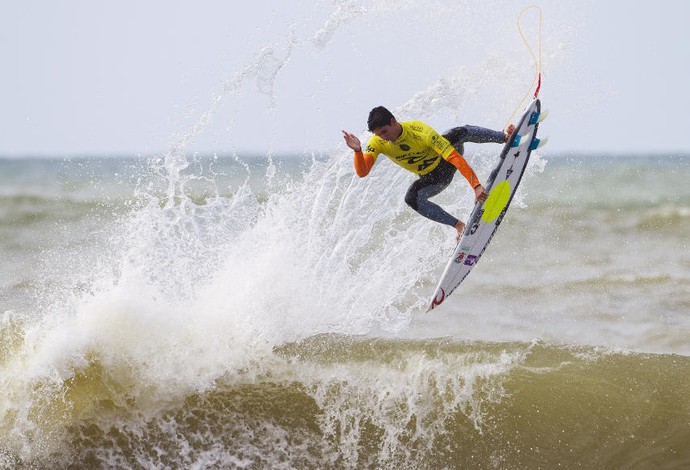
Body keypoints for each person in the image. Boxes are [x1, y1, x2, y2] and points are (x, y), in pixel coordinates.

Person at [342, 106, 514, 240]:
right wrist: (357, 151)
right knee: (411, 198)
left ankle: (504, 137)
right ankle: (459, 226)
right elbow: (362, 172)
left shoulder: (419, 131)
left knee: (459, 132)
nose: (383, 138)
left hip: (446, 161)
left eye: (384, 132)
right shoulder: (378, 142)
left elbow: (454, 158)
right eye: (379, 135)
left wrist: (476, 186)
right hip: (434, 179)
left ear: (393, 121)